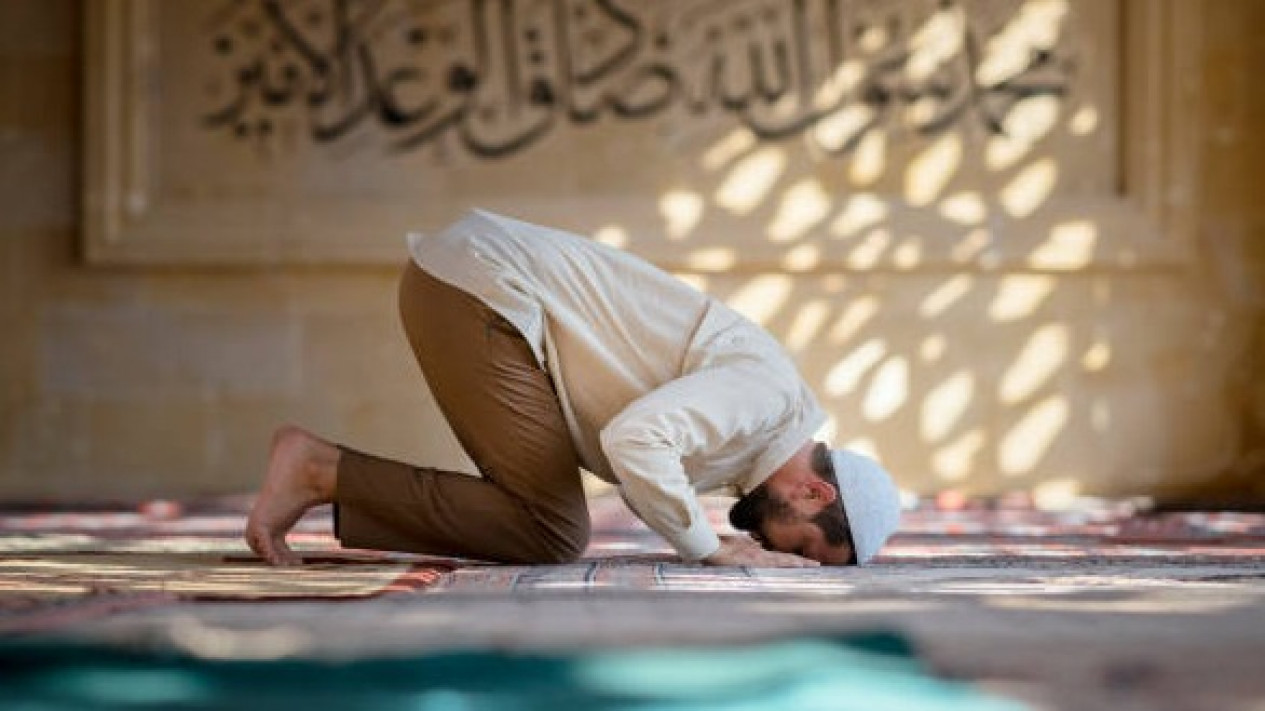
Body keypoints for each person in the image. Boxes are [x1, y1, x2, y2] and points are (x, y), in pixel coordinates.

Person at [246, 209, 901, 568]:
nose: (780, 554)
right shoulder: (766, 397)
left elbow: (639, 460)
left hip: (474, 289)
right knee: (551, 529)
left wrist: (702, 536)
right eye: (808, 547)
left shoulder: (751, 439)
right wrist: (707, 548)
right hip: (482, 291)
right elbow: (635, 438)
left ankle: (324, 471)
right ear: (814, 491)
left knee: (549, 527)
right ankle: (317, 470)